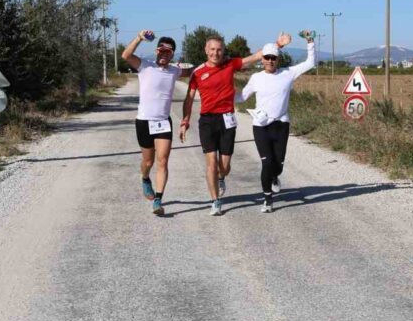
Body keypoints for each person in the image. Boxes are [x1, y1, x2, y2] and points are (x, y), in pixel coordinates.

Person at [180, 32, 291, 216]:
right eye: (212, 49)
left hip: (227, 119)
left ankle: (221, 177)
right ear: (206, 50)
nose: (215, 53)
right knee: (211, 163)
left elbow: (256, 56)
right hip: (207, 120)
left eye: (219, 50)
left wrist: (278, 45)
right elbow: (189, 98)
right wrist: (185, 120)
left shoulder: (230, 64)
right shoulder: (197, 72)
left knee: (224, 167)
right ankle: (215, 201)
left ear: (223, 51)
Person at [236, 31, 316, 212]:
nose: (270, 61)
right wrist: (222, 94)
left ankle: (275, 177)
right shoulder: (256, 78)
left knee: (278, 165)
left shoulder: (288, 73)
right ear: (262, 59)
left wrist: (310, 41)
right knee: (266, 162)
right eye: (267, 58)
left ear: (278, 59)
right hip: (261, 126)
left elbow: (310, 63)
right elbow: (241, 97)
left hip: (281, 125)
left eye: (273, 58)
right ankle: (267, 199)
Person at [121, 30, 191, 215]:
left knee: (163, 161)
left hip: (163, 122)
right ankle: (145, 179)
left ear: (172, 54)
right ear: (156, 51)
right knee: (148, 161)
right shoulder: (145, 65)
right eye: (161, 50)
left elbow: (195, 71)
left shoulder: (175, 71)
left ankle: (158, 200)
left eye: (168, 52)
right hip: (144, 121)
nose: (164, 54)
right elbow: (126, 55)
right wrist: (139, 38)